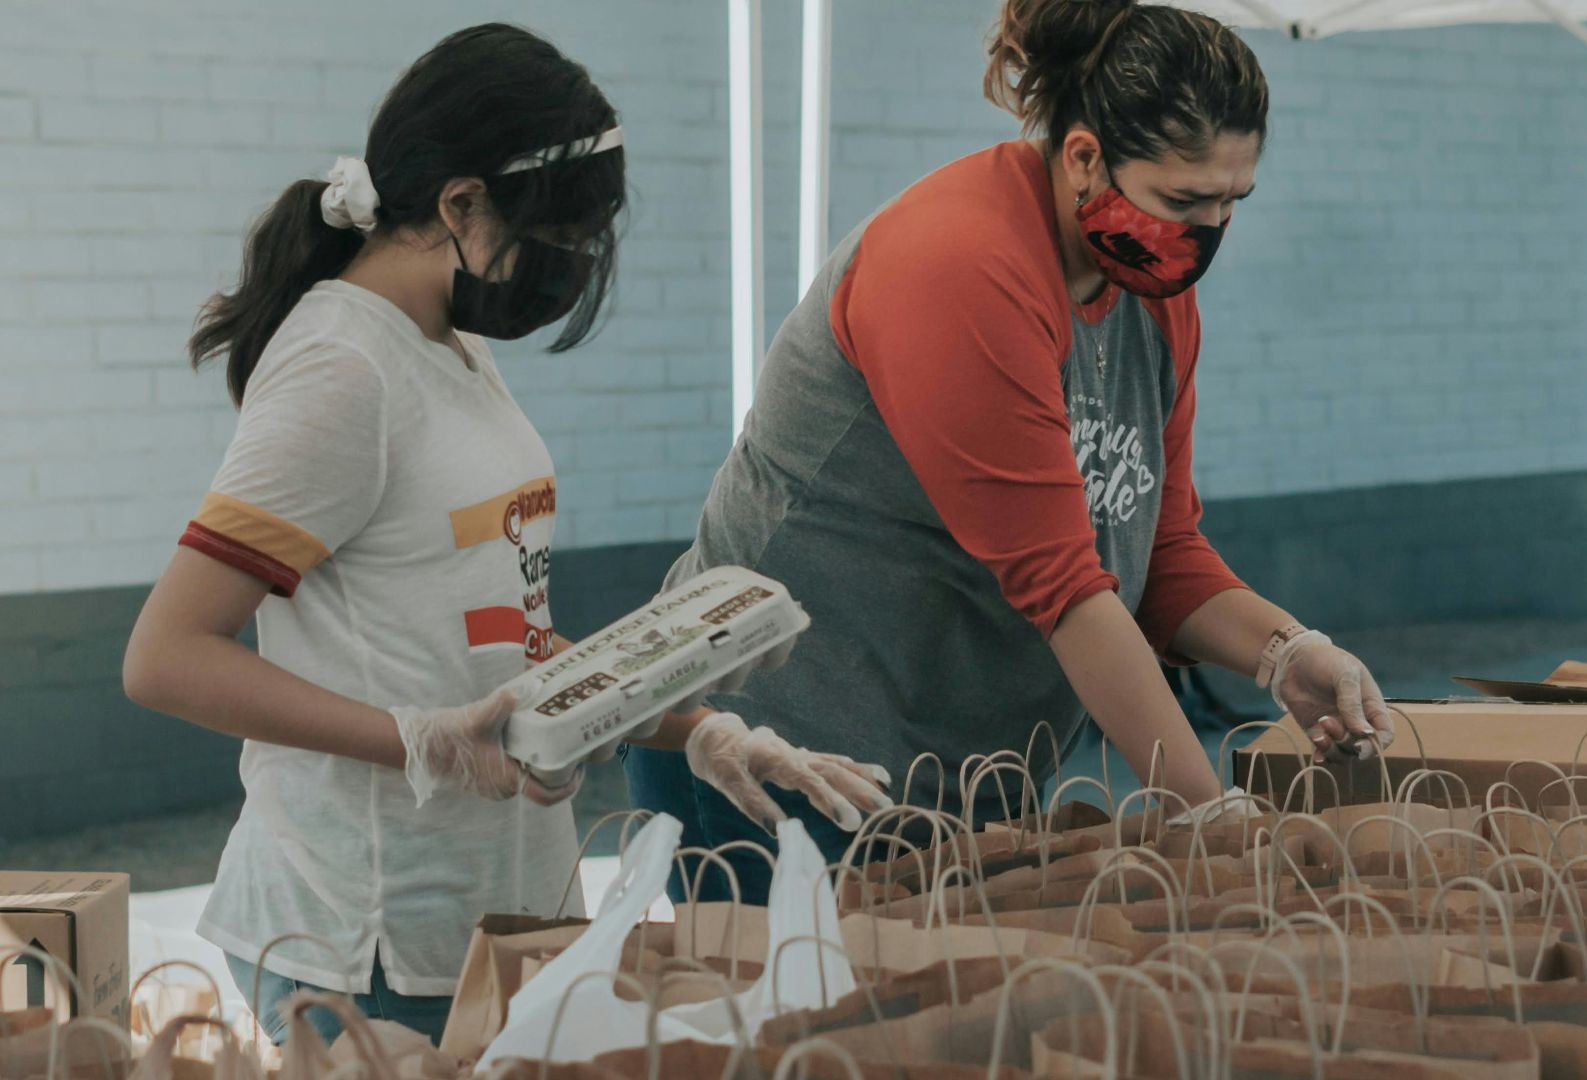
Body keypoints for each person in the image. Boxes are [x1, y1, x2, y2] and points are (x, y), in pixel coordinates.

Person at [122, 24, 887, 1047]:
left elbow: (499, 647)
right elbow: (166, 659)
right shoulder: (342, 368)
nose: (571, 267)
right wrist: (418, 739)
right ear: (461, 205)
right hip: (372, 940)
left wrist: (690, 720)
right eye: (560, 236)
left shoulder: (450, 343)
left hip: (497, 909)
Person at [626, 0, 1395, 905]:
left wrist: (1287, 653)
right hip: (776, 756)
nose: (1208, 233)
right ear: (1084, 157)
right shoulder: (959, 265)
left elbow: (1161, 554)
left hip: (946, 784)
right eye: (1184, 201)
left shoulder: (1152, 292)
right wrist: (1213, 820)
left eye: (1232, 202)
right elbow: (1066, 590)